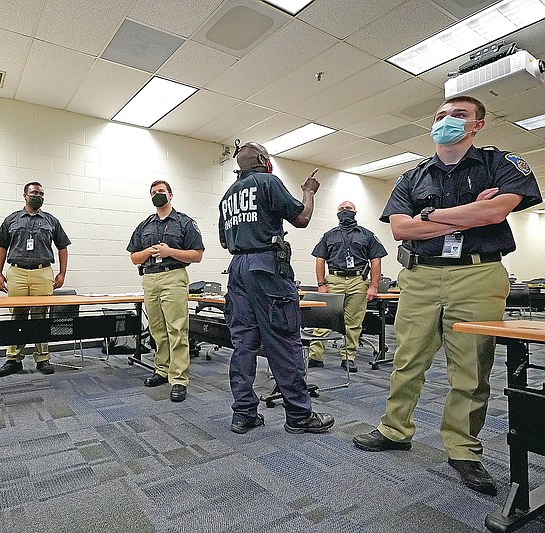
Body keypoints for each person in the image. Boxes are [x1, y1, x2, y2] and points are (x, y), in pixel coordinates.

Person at [353, 96, 541, 496]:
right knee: (407, 360)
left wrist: (429, 217)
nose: (447, 121)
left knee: (471, 371)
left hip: (478, 274)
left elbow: (493, 215)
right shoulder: (411, 177)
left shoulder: (500, 164)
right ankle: (395, 429)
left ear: (478, 125)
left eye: (459, 115)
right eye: (440, 115)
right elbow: (401, 230)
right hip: (419, 277)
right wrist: (466, 210)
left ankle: (463, 450)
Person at [218, 141, 334, 435]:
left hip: (238, 269)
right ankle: (298, 416)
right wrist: (308, 191)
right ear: (261, 159)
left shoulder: (227, 196)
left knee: (243, 343)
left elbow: (223, 240)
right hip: (266, 267)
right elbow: (302, 219)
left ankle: (243, 414)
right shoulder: (267, 181)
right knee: (283, 340)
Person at [128, 180, 204, 402]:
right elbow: (134, 257)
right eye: (153, 193)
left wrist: (170, 251)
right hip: (150, 278)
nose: (157, 195)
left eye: (161, 191)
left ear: (171, 195)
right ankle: (162, 370)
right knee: (157, 329)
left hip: (173, 276)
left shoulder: (184, 223)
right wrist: (148, 251)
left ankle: (179, 378)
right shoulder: (145, 225)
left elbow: (197, 255)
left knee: (177, 330)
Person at [0, 182, 71, 377]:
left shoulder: (51, 220)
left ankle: (43, 358)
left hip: (42, 272)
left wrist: (62, 273)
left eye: (41, 193)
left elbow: (63, 247)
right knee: (17, 315)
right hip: (16, 272)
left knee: (40, 315)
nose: (38, 196)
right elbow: (1, 247)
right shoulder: (11, 219)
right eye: (34, 193)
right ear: (25, 196)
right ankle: (13, 359)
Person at [308, 201, 387, 372]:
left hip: (358, 281)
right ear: (337, 213)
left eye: (349, 208)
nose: (345, 211)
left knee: (353, 322)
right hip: (334, 280)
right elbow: (320, 260)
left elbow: (376, 261)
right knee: (323, 320)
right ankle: (315, 356)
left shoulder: (367, 235)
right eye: (342, 209)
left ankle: (348, 357)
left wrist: (373, 286)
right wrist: (321, 284)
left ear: (355, 212)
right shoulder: (329, 235)